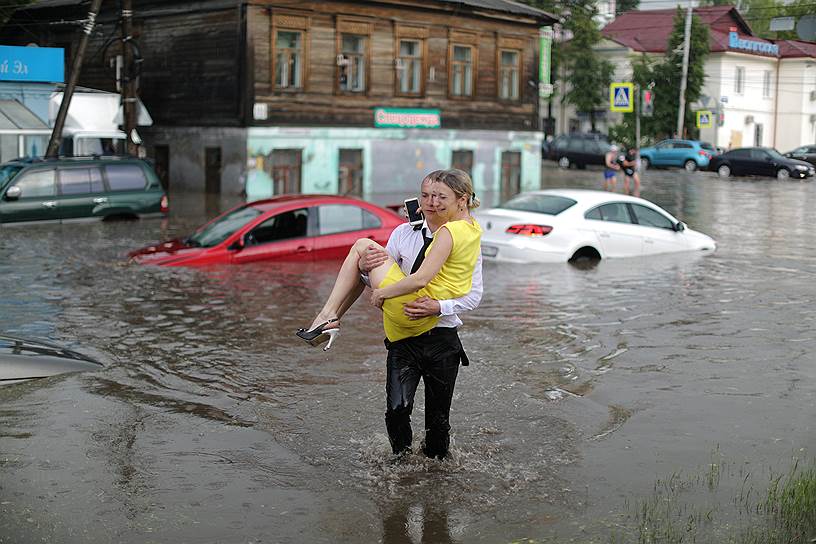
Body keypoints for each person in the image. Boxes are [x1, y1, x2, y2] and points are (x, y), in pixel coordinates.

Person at [297, 169, 483, 459]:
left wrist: (439, 307)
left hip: (442, 339)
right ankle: (401, 465)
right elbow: (376, 283)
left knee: (438, 425)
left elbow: (474, 295)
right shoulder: (402, 234)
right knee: (397, 410)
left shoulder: (460, 237)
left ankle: (435, 474)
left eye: (439, 197)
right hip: (402, 340)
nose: (431, 202)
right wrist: (364, 269)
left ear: (460, 200)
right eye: (425, 195)